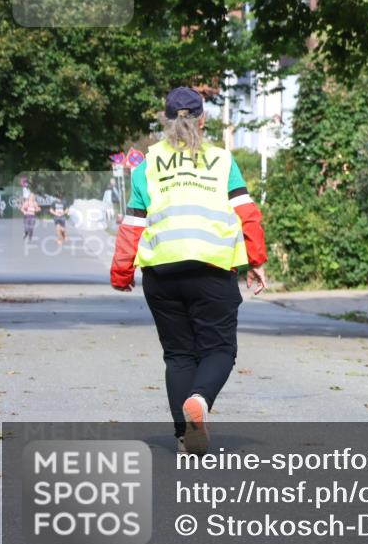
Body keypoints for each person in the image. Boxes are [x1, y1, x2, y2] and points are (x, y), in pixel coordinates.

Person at [110, 87, 268, 456]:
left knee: (178, 354)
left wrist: (121, 273)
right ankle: (199, 400)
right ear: (203, 120)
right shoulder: (221, 161)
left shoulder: (147, 165)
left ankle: (185, 436)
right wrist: (256, 262)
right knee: (219, 349)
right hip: (212, 270)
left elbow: (133, 224)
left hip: (162, 275)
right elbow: (248, 215)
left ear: (165, 121)